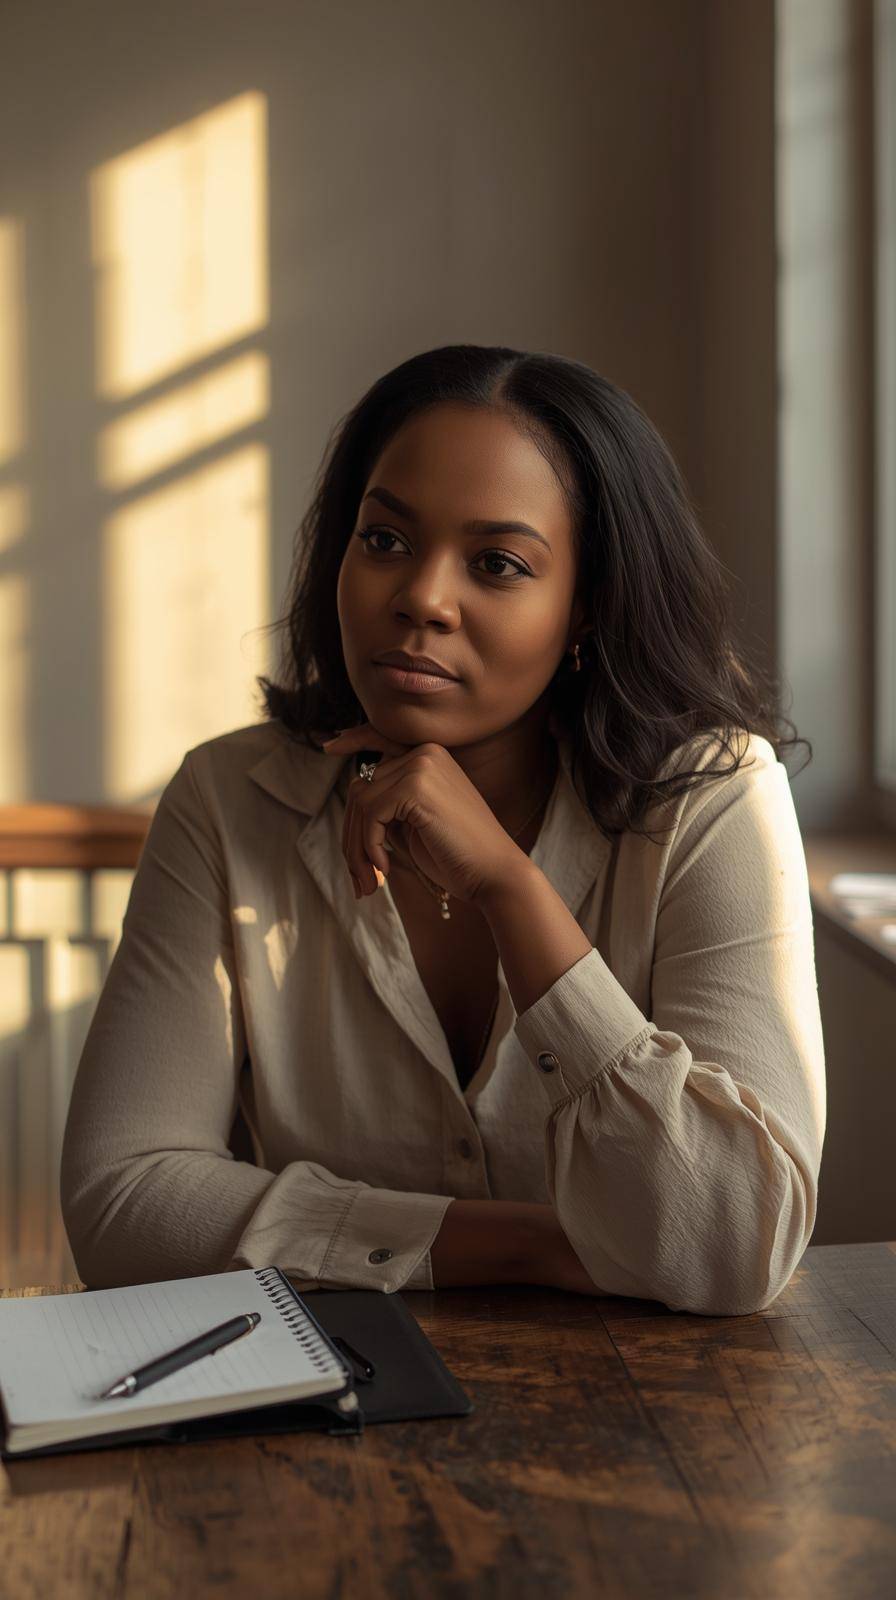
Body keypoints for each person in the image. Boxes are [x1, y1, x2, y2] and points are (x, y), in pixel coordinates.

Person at [60, 343, 825, 1316]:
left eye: (497, 563)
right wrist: (533, 1247)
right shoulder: (228, 798)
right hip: (316, 1417)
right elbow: (122, 1201)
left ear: (585, 606)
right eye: (383, 540)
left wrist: (512, 891)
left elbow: (730, 1242)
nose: (420, 597)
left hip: (660, 1433)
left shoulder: (710, 801)